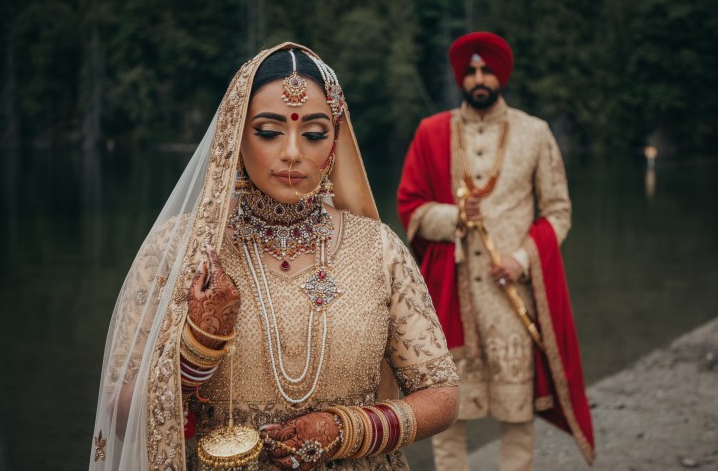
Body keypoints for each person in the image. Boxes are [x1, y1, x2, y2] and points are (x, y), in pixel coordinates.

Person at [90, 43, 460, 471]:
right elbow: (121, 414)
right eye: (268, 132)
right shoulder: (180, 250)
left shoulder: (378, 249)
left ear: (335, 139)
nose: (292, 152)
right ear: (234, 135)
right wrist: (198, 348)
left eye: (314, 134)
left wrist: (345, 431)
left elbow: (442, 395)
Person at [397, 32, 594, 470]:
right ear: (460, 78)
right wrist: (453, 217)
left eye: (487, 70)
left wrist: (522, 259)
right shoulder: (432, 132)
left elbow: (559, 212)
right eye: (470, 71)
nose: (479, 78)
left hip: (512, 298)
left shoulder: (535, 133)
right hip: (452, 297)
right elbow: (409, 207)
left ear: (501, 74)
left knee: (516, 415)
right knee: (447, 417)